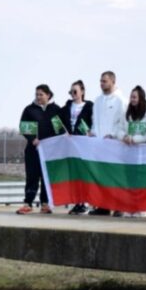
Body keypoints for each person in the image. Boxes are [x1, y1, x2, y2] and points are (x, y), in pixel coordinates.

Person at [16, 84, 63, 215]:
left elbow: (59, 129)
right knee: (32, 176)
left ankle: (45, 204)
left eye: (41, 94)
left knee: (46, 177)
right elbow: (24, 127)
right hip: (33, 150)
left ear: (48, 95)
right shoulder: (30, 110)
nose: (38, 97)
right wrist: (33, 139)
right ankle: (28, 203)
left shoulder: (55, 109)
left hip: (49, 151)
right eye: (36, 94)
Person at [88, 71, 127, 216]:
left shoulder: (120, 100)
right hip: (99, 145)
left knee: (115, 177)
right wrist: (93, 132)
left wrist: (115, 135)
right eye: (100, 81)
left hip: (114, 145)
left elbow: (123, 123)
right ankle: (103, 206)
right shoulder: (97, 101)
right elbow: (95, 121)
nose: (101, 83)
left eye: (104, 81)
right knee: (101, 177)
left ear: (112, 81)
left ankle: (119, 206)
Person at [60, 80, 94, 215]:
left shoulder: (90, 107)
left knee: (84, 174)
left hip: (84, 146)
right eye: (70, 92)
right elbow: (55, 121)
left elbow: (94, 123)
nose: (72, 94)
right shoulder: (66, 108)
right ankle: (77, 202)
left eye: (75, 91)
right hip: (70, 146)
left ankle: (85, 203)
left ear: (82, 92)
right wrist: (63, 132)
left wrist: (90, 132)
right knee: (74, 175)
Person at [121, 85, 146, 217]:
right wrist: (123, 136)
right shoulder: (126, 113)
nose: (132, 99)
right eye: (131, 97)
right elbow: (120, 129)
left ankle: (141, 208)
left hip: (142, 153)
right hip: (128, 153)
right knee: (129, 181)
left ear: (141, 98)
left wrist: (134, 139)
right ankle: (130, 207)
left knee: (141, 182)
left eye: (134, 97)